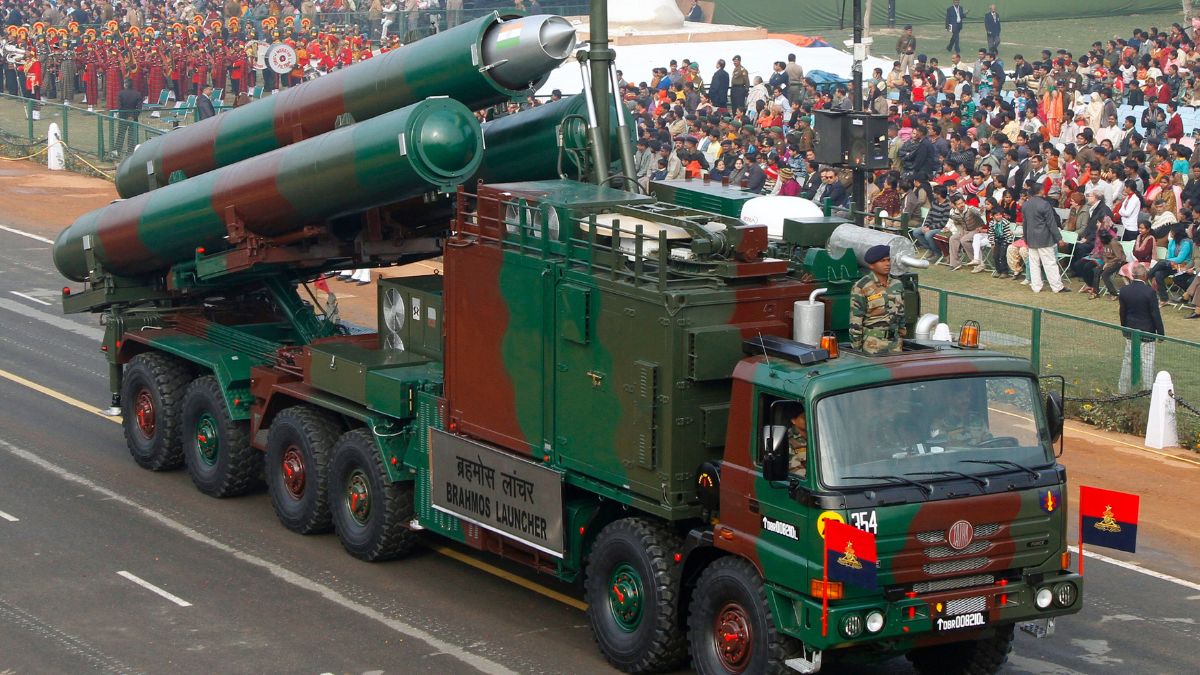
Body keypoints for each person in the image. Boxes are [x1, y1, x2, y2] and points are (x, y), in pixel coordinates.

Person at [849, 245, 905, 354]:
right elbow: (856, 320)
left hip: (895, 344)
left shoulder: (897, 284)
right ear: (872, 265)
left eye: (888, 260)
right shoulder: (861, 286)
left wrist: (902, 329)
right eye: (882, 261)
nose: (887, 264)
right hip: (872, 345)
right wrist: (857, 349)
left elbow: (901, 312)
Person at [1117, 265, 1164, 393]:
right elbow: (1155, 314)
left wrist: (1124, 329)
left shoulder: (1124, 290)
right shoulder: (1149, 292)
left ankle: (1123, 389)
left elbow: (1122, 312)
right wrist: (1160, 333)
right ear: (1145, 276)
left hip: (1131, 331)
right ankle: (1147, 390)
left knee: (1128, 360)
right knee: (1147, 362)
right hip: (1147, 332)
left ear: (1132, 276)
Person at [1021, 180, 1067, 293]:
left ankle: (1036, 286)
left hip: (1031, 238)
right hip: (1044, 238)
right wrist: (1059, 238)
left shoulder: (1026, 204)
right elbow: (1051, 223)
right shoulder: (1045, 204)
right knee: (1050, 263)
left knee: (1034, 264)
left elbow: (1025, 223)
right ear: (1041, 191)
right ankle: (1057, 286)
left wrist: (1026, 238)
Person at [113, 79, 142, 157]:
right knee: (132, 136)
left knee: (121, 135)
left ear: (125, 85)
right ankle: (130, 153)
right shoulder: (138, 94)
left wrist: (125, 115)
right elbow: (139, 108)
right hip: (133, 118)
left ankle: (116, 152)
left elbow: (119, 107)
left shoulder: (121, 93)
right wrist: (132, 116)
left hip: (123, 117)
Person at [787, 406, 808, 477]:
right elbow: (793, 469)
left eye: (809, 416)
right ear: (793, 420)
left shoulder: (821, 433)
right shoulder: (788, 439)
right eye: (804, 417)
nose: (808, 420)